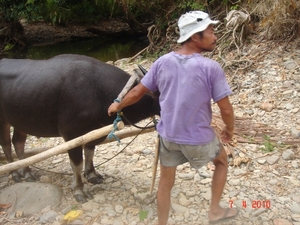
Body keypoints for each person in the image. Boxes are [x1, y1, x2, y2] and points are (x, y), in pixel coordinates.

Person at [108, 10, 238, 225]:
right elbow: (225, 109)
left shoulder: (162, 62)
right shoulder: (210, 68)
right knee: (222, 162)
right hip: (199, 138)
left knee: (165, 183)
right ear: (196, 37)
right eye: (211, 31)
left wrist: (117, 105)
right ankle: (214, 211)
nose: (215, 37)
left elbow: (136, 93)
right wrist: (229, 129)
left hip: (169, 138)